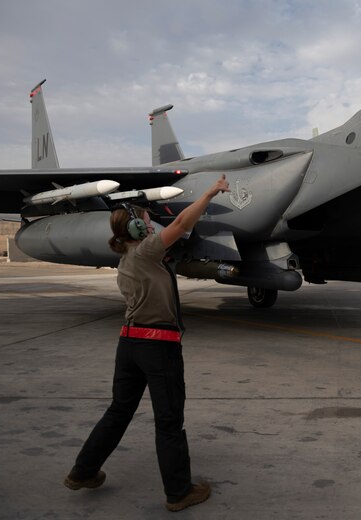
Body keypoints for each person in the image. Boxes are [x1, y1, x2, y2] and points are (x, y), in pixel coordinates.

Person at [64, 175, 230, 512]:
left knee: (119, 411)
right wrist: (210, 193)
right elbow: (182, 224)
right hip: (158, 347)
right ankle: (179, 492)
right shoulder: (146, 251)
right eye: (147, 221)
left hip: (129, 345)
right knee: (169, 421)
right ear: (136, 228)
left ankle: (83, 472)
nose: (152, 225)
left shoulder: (128, 258)